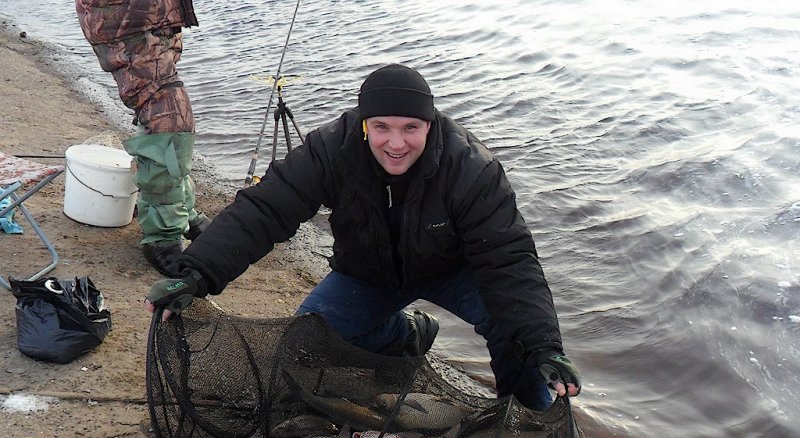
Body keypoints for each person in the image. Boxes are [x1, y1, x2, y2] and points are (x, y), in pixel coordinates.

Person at [146, 64, 580, 409]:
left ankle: (527, 421)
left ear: (431, 125)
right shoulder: (331, 149)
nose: (396, 143)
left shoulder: (472, 168)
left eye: (410, 128)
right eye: (382, 127)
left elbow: (511, 260)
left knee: (515, 335)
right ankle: (404, 337)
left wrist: (544, 346)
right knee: (308, 342)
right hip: (368, 274)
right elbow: (265, 208)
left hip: (454, 270)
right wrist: (197, 271)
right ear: (364, 124)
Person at [75, 0, 210, 277]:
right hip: (128, 17)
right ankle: (161, 237)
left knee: (160, 111)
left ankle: (180, 210)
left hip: (155, 19)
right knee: (169, 117)